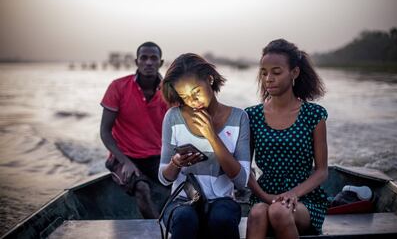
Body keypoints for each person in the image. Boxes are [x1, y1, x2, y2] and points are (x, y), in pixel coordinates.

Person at [158, 53, 250, 239]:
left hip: (222, 201)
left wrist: (212, 135)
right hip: (182, 202)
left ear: (209, 79)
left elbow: (241, 181)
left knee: (222, 218)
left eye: (196, 92)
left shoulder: (239, 118)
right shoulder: (173, 118)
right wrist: (176, 163)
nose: (192, 101)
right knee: (185, 218)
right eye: (184, 97)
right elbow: (164, 178)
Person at [246, 39, 329, 239]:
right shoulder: (251, 115)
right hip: (265, 194)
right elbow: (244, 167)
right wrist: (265, 196)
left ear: (294, 72)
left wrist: (293, 194)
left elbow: (322, 171)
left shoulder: (314, 115)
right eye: (264, 73)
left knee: (278, 211)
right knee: (257, 212)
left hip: (304, 199)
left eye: (276, 72)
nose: (268, 79)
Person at [100, 41, 168, 219]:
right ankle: (157, 232)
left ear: (161, 63)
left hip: (156, 157)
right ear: (136, 61)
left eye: (154, 58)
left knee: (187, 186)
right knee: (142, 188)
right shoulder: (118, 87)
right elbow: (105, 132)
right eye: (144, 58)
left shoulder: (169, 91)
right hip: (124, 155)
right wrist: (125, 162)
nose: (148, 63)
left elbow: (178, 130)